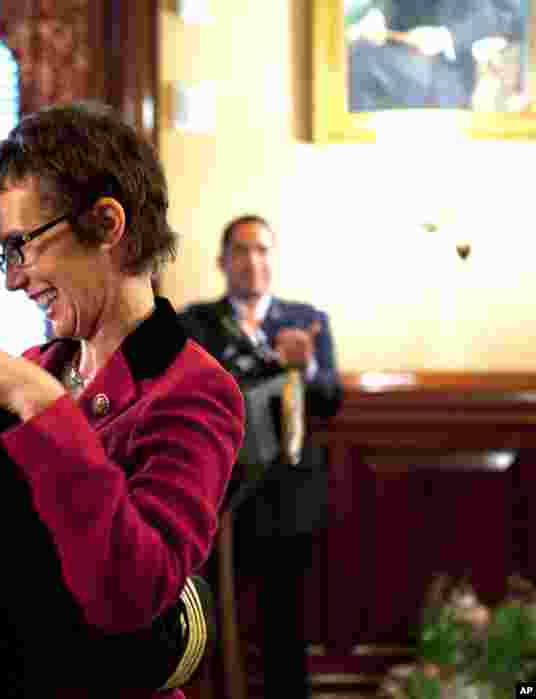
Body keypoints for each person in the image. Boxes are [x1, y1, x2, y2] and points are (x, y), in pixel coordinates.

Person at [0, 102, 244, 699]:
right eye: (6, 253)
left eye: (21, 245)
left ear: (106, 224)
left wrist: (43, 406)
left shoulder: (194, 389)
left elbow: (134, 592)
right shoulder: (39, 367)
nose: (12, 279)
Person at [177, 214, 343, 699]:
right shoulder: (194, 323)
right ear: (222, 261)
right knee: (213, 626)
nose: (253, 261)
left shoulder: (307, 320)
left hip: (289, 500)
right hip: (220, 501)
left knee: (285, 631)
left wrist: (306, 365)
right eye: (243, 250)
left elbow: (330, 400)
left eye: (263, 250)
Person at [346, 0, 524, 111]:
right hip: (401, 55)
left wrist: (446, 37)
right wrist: (379, 15)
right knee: (356, 55)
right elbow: (397, 6)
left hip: (452, 71)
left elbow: (510, 14)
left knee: (361, 60)